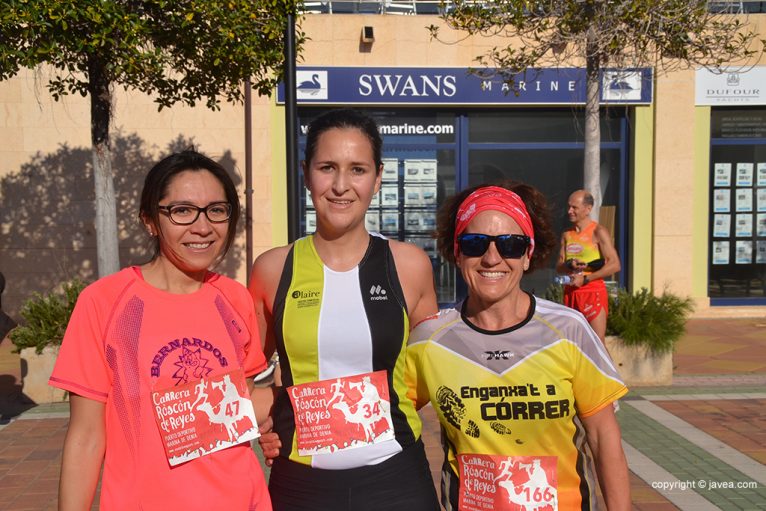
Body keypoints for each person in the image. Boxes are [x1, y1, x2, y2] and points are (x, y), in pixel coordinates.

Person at [49, 150, 273, 510]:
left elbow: (244, 398)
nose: (203, 227)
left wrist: (282, 416)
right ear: (151, 220)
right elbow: (87, 436)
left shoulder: (234, 298)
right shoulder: (104, 302)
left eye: (217, 209)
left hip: (242, 499)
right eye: (182, 211)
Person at [249, 108, 440, 511]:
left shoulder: (409, 266)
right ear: (305, 174)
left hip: (397, 479)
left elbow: (428, 373)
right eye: (326, 167)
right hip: (300, 485)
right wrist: (276, 416)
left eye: (357, 169)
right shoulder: (272, 269)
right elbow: (243, 375)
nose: (340, 185)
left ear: (378, 176)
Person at [406, 183, 630, 510]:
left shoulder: (568, 330)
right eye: (475, 244)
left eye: (511, 245)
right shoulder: (429, 338)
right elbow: (389, 427)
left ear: (527, 255)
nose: (492, 258)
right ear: (457, 252)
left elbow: (603, 439)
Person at [556, 189, 621, 342]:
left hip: (592, 292)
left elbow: (615, 264)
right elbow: (558, 266)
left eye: (574, 208)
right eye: (568, 207)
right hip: (571, 292)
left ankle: (606, 367)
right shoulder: (567, 234)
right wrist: (569, 264)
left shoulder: (598, 231)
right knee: (574, 342)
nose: (569, 211)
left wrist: (586, 279)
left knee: (597, 342)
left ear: (588, 209)